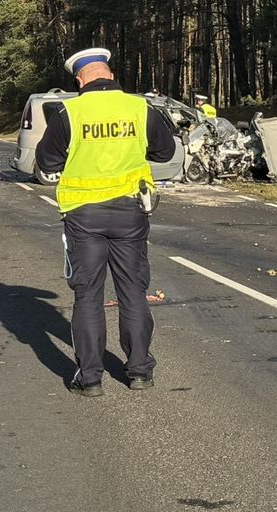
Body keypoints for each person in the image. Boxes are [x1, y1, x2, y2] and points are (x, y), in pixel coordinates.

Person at [35, 48, 176, 397]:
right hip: (130, 212)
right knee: (133, 292)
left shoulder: (69, 112)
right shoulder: (140, 108)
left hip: (84, 215)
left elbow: (47, 162)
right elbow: (166, 152)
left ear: (79, 80)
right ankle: (140, 372)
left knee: (88, 296)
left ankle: (90, 378)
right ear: (110, 75)